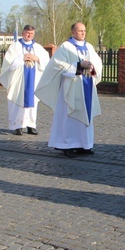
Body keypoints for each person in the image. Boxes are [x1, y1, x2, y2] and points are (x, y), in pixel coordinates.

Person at [35, 22, 102, 157]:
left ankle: (84, 145)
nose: (83, 33)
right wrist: (78, 65)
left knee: (85, 116)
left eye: (84, 30)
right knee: (69, 117)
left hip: (87, 85)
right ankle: (67, 145)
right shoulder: (65, 47)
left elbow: (97, 64)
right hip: (71, 87)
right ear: (73, 32)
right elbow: (57, 66)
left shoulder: (89, 47)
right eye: (80, 31)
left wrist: (92, 67)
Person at [0, 25, 50, 135]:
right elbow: (8, 63)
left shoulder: (38, 47)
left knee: (33, 103)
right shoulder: (15, 46)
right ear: (23, 33)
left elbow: (47, 63)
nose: (29, 35)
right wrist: (21, 58)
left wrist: (37, 59)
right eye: (28, 33)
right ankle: (18, 125)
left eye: (32, 33)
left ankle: (31, 125)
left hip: (34, 80)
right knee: (18, 100)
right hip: (19, 80)